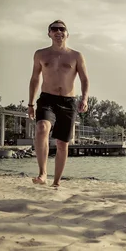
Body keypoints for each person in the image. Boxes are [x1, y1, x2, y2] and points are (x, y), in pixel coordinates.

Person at [28, 20, 89, 188]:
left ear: (67, 34)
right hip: (47, 98)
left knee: (62, 143)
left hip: (69, 102)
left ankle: (56, 182)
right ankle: (43, 173)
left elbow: (84, 79)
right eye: (54, 29)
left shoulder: (76, 56)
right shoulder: (41, 54)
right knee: (41, 129)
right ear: (49, 33)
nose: (58, 31)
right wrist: (31, 104)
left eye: (62, 29)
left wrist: (84, 98)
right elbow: (35, 79)